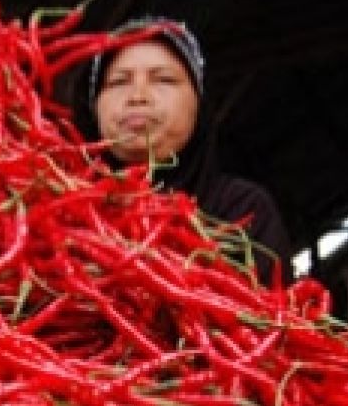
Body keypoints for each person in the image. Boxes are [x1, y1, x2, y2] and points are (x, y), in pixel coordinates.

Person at [74, 16, 293, 284]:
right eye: (118, 82)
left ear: (199, 107)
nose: (137, 96)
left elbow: (267, 317)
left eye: (163, 79)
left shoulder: (240, 210)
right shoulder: (65, 210)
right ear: (94, 108)